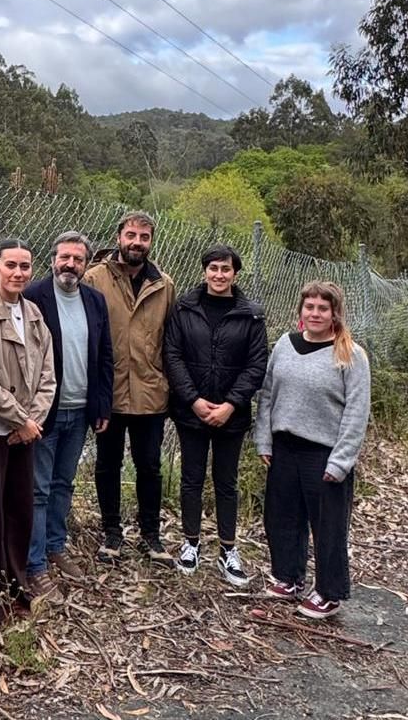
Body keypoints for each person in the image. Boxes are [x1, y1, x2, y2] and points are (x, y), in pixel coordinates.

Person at [253, 280, 371, 620]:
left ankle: (328, 592)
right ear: (300, 311)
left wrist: (342, 460)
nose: (315, 313)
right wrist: (264, 439)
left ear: (335, 313)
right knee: (282, 517)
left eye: (323, 308)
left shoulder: (351, 354)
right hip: (284, 446)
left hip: (324, 452)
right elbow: (268, 394)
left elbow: (356, 411)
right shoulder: (285, 346)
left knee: (328, 525)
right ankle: (288, 577)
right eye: (310, 307)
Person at [163, 245, 268, 586]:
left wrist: (231, 405)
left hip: (231, 416)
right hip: (191, 412)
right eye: (213, 268)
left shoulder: (251, 314)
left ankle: (228, 550)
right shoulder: (184, 308)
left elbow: (256, 365)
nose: (219, 275)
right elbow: (173, 355)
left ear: (235, 273)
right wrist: (193, 400)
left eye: (225, 269)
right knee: (191, 479)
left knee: (226, 482)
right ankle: (190, 544)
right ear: (204, 271)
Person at [0, 239, 56, 623]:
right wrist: (20, 419)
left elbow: (48, 375)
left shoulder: (33, 313)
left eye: (25, 267)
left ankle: (17, 584)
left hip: (25, 434)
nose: (18, 273)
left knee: (20, 511)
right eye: (11, 266)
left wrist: (30, 422)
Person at [84, 211, 177, 564]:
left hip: (151, 392)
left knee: (149, 466)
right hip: (109, 392)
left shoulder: (164, 285)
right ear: (119, 236)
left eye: (144, 237)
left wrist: (168, 384)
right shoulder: (94, 279)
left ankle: (151, 535)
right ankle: (111, 531)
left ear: (151, 241)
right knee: (107, 464)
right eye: (131, 235)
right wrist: (94, 394)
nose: (137, 242)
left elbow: (171, 340)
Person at [23, 231, 113, 588]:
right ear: (53, 259)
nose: (70, 264)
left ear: (87, 264)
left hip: (80, 411)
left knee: (64, 483)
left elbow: (105, 354)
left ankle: (55, 546)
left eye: (77, 259)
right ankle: (34, 563)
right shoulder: (34, 297)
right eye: (64, 257)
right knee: (38, 489)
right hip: (45, 410)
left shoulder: (95, 300)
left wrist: (102, 403)